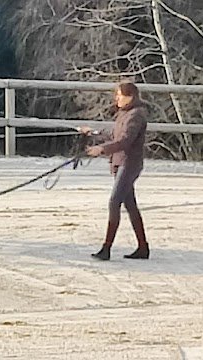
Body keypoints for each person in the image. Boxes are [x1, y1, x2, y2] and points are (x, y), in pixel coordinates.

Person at [78, 82, 149, 261]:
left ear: (130, 96)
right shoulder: (124, 113)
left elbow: (125, 141)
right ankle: (143, 247)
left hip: (129, 164)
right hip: (120, 163)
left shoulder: (136, 115)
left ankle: (106, 248)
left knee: (114, 202)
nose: (116, 98)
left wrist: (101, 149)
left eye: (119, 95)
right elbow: (113, 135)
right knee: (130, 205)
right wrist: (92, 133)